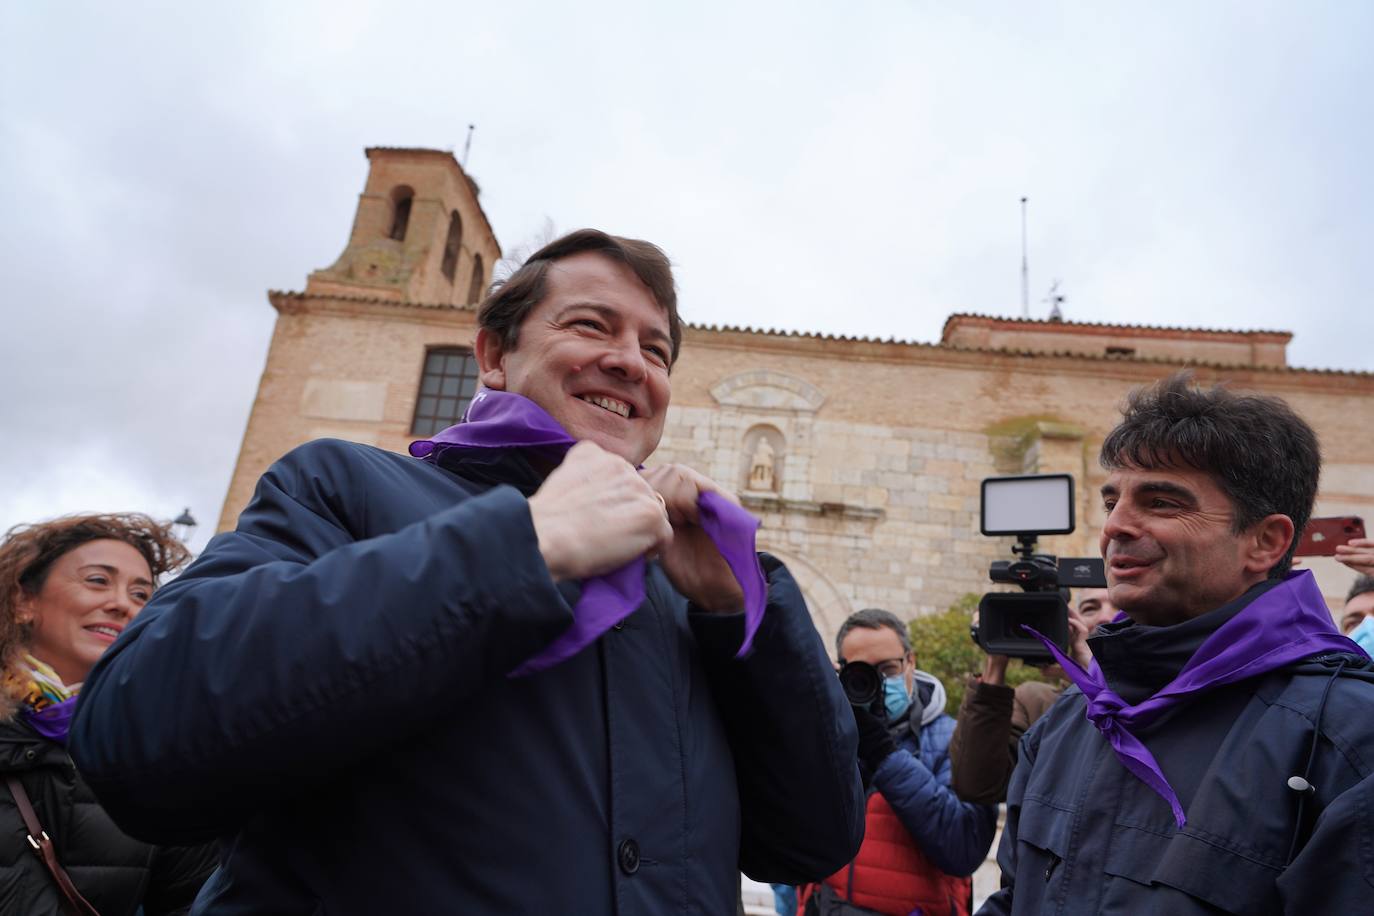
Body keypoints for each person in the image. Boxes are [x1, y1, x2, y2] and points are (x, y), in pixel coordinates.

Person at [70, 230, 865, 914]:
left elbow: (812, 840)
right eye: (592, 325)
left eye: (654, 350)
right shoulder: (342, 488)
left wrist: (741, 613)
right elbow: (140, 738)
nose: (629, 362)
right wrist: (525, 545)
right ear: (492, 356)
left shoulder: (689, 587)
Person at [978, 373, 1374, 915]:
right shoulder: (1071, 720)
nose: (1115, 526)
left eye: (1162, 502)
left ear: (1265, 541)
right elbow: (1012, 898)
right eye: (1111, 500)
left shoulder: (1349, 736)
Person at [0, 514, 217, 915]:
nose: (122, 605)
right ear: (23, 602)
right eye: (98, 580)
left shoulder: (159, 752)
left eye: (141, 594)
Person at [798, 608, 997, 916]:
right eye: (862, 673)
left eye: (888, 669)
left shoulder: (954, 739)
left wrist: (884, 755)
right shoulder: (828, 736)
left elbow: (965, 847)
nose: (876, 683)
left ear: (910, 662)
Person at [949, 589, 1118, 805]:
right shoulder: (1035, 700)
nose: (1105, 617)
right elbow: (978, 786)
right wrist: (994, 660)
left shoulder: (1166, 700)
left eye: (1119, 607)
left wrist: (1091, 677)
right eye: (1090, 608)